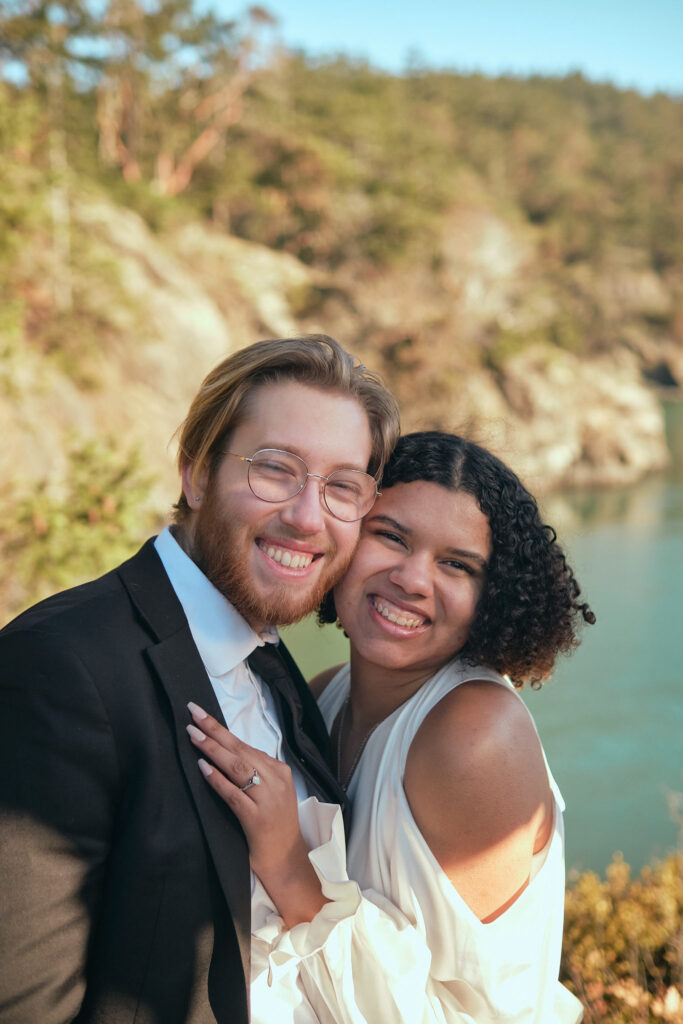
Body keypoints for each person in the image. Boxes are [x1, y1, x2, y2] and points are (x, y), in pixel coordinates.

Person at [0, 335, 400, 1024]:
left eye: (341, 487)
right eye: (275, 469)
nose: (308, 517)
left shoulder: (272, 663)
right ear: (196, 473)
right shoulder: (59, 666)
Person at [187, 430, 595, 1023]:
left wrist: (286, 862)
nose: (412, 578)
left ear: (492, 598)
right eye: (391, 537)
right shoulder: (327, 693)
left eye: (456, 565)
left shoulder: (474, 733)